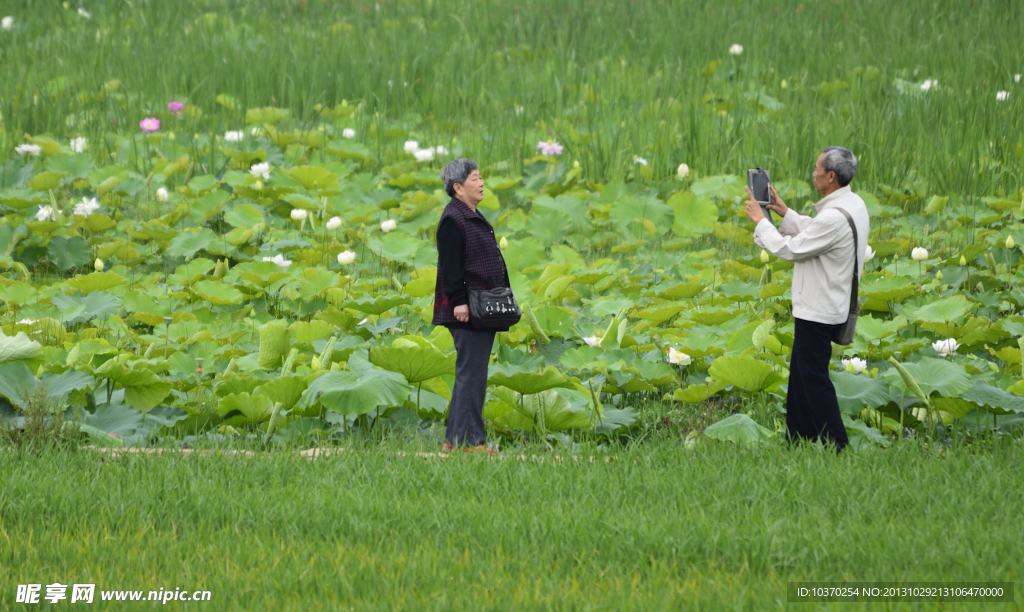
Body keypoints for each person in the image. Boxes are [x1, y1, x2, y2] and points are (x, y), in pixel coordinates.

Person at [743, 146, 869, 453]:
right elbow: (817, 232)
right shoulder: (853, 204)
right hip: (826, 303)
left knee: (813, 380)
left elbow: (792, 250)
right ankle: (797, 441)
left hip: (819, 309)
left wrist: (761, 221)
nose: (812, 173)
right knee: (800, 378)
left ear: (830, 176)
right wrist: (785, 213)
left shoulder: (834, 218)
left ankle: (838, 446)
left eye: (816, 169)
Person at [432, 158, 511, 453]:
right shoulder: (454, 219)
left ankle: (455, 441)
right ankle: (470, 442)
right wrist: (459, 303)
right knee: (472, 374)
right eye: (475, 178)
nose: (481, 183)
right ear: (457, 187)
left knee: (471, 374)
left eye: (481, 177)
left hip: (480, 307)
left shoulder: (470, 214)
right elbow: (451, 268)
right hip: (466, 310)